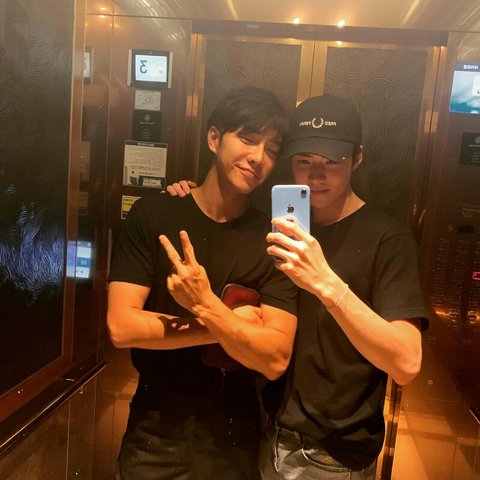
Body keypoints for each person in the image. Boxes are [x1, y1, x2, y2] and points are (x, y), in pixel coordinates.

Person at [168, 94, 428, 480]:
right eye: (303, 161)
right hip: (262, 432)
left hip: (330, 455)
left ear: (357, 158)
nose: (315, 176)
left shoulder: (387, 239)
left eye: (331, 162)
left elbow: (406, 364)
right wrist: (187, 195)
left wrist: (326, 283)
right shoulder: (276, 226)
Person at [107, 86, 298, 480]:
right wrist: (225, 325)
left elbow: (275, 358)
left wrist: (206, 305)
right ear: (214, 138)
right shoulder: (154, 215)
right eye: (248, 138)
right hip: (155, 428)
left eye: (272, 149)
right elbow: (122, 327)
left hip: (235, 432)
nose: (258, 157)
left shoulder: (273, 239)